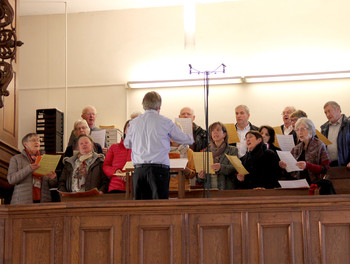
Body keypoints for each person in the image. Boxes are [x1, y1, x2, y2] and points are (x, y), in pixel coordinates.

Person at [124, 91, 193, 200]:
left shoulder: (134, 123)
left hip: (139, 170)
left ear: (143, 105)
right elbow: (183, 138)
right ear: (159, 106)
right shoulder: (165, 122)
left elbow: (127, 144)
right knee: (159, 206)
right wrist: (191, 137)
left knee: (141, 207)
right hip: (158, 170)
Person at [7, 133, 57, 204]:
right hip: (22, 202)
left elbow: (53, 185)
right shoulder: (16, 159)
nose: (37, 142)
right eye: (33, 140)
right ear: (25, 144)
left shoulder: (45, 159)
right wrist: (29, 168)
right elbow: (11, 179)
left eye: (38, 140)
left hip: (44, 202)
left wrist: (53, 178)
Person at [280, 118, 330, 184]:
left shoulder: (319, 145)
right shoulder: (296, 148)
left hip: (314, 183)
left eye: (302, 129)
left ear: (310, 130)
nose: (299, 132)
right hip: (298, 182)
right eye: (297, 130)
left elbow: (325, 168)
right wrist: (284, 167)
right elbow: (291, 170)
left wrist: (307, 166)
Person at [197, 122, 238, 190]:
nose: (215, 132)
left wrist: (221, 167)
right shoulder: (205, 152)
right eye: (212, 131)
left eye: (218, 130)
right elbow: (199, 178)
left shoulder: (232, 150)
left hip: (226, 189)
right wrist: (200, 176)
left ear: (224, 134)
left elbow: (234, 168)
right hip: (209, 190)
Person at [102, 120, 132, 193]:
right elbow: (105, 166)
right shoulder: (114, 147)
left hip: (135, 188)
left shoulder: (142, 149)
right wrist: (115, 171)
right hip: (116, 187)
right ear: (124, 131)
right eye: (129, 126)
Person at [320, 101, 350, 168]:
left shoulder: (348, 124)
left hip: (346, 166)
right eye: (325, 113)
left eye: (329, 111)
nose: (327, 115)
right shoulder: (324, 128)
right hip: (329, 166)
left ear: (338, 109)